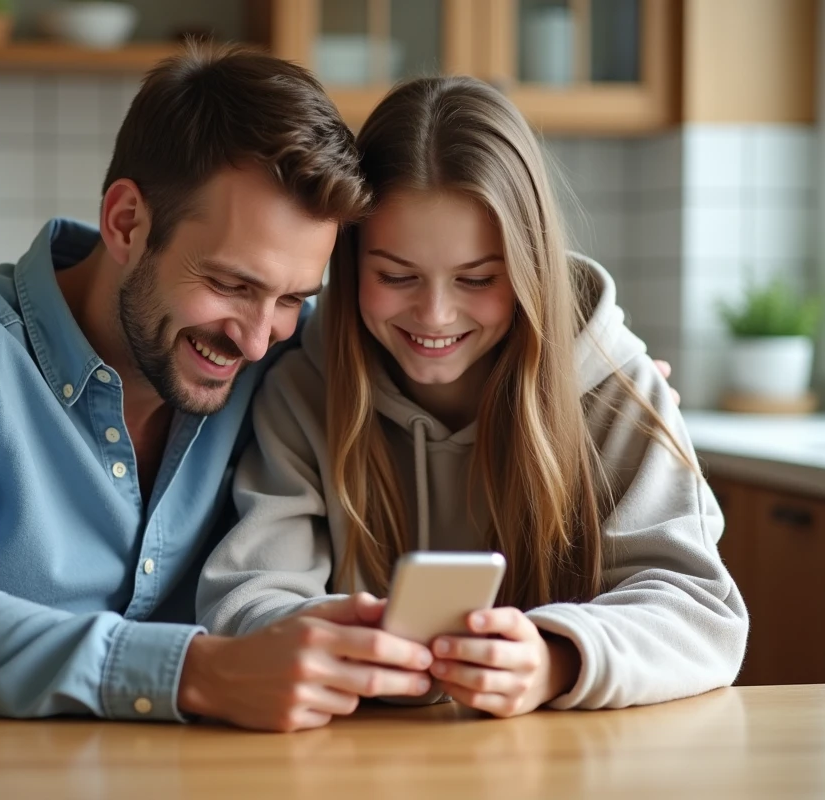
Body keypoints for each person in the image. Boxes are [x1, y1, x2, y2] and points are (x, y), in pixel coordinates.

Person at [0, 46, 444, 800]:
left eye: (294, 298)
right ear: (127, 221)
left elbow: (469, 321)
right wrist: (201, 672)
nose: (259, 336)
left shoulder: (276, 363)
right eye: (233, 284)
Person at [197, 75, 748, 721]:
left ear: (528, 267)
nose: (434, 314)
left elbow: (700, 612)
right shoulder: (303, 388)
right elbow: (245, 600)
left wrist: (555, 658)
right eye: (396, 275)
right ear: (348, 265)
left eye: (478, 278)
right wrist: (337, 641)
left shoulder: (616, 387)